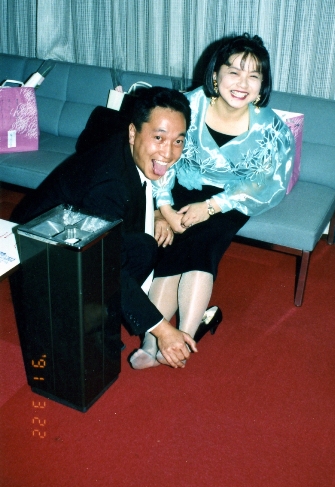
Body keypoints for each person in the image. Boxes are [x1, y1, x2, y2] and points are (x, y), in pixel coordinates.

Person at [130, 33, 295, 369]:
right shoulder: (186, 107)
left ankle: (183, 338)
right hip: (179, 188)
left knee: (203, 241)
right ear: (216, 75)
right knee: (171, 247)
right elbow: (162, 156)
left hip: (231, 199)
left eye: (253, 76)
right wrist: (164, 208)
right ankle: (153, 339)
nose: (242, 83)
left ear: (262, 85)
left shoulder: (271, 128)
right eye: (234, 72)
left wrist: (211, 207)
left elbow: (269, 182)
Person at [11, 86, 197, 369]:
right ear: (133, 133)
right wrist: (162, 329)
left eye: (178, 141)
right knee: (114, 263)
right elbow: (105, 262)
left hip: (76, 232)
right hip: (38, 250)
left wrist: (159, 212)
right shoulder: (108, 184)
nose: (168, 152)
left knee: (144, 248)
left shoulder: (130, 150)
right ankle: (81, 319)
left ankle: (97, 315)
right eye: (159, 138)